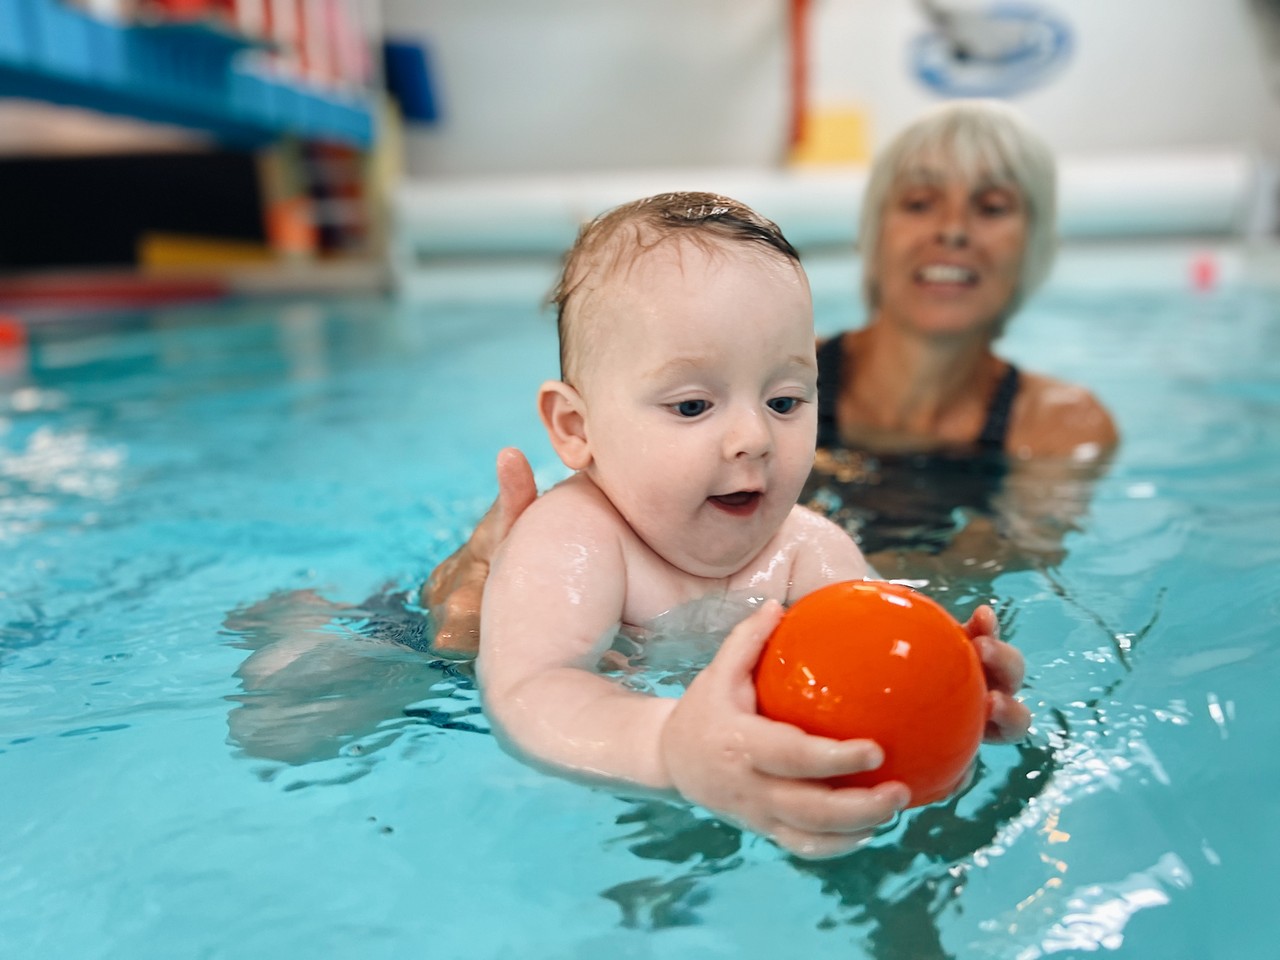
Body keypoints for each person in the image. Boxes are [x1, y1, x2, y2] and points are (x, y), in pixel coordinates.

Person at [424, 99, 1119, 646]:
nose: (953, 230)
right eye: (919, 202)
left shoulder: (1057, 425)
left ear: (1037, 243)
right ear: (874, 233)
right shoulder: (761, 368)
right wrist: (507, 569)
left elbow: (1001, 570)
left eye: (992, 206)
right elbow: (620, 482)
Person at [474, 190, 1030, 861]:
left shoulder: (807, 547)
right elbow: (530, 693)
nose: (754, 436)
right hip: (614, 776)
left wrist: (949, 702)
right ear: (576, 427)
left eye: (786, 400)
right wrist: (669, 746)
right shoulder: (574, 539)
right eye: (692, 405)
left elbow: (879, 666)